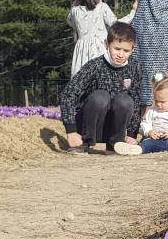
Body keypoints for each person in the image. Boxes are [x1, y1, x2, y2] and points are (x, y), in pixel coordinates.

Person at [59, 22, 142, 154]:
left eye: (126, 51)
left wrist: (132, 133)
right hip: (89, 125)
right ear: (107, 45)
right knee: (100, 97)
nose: (120, 54)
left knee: (125, 100)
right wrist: (71, 131)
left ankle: (116, 144)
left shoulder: (134, 67)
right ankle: (85, 143)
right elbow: (68, 94)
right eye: (117, 49)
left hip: (113, 129)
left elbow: (136, 101)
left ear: (133, 49)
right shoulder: (94, 66)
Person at [114, 72, 168, 155]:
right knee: (147, 143)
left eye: (162, 101)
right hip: (156, 140)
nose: (158, 104)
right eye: (156, 101)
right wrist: (149, 131)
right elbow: (144, 124)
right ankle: (136, 149)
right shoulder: (153, 111)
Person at [67, 0, 137, 76]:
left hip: (81, 54)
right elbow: (116, 25)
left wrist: (75, 0)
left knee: (81, 81)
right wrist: (133, 11)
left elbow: (70, 22)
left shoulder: (75, 11)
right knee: (100, 79)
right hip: (99, 50)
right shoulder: (102, 7)